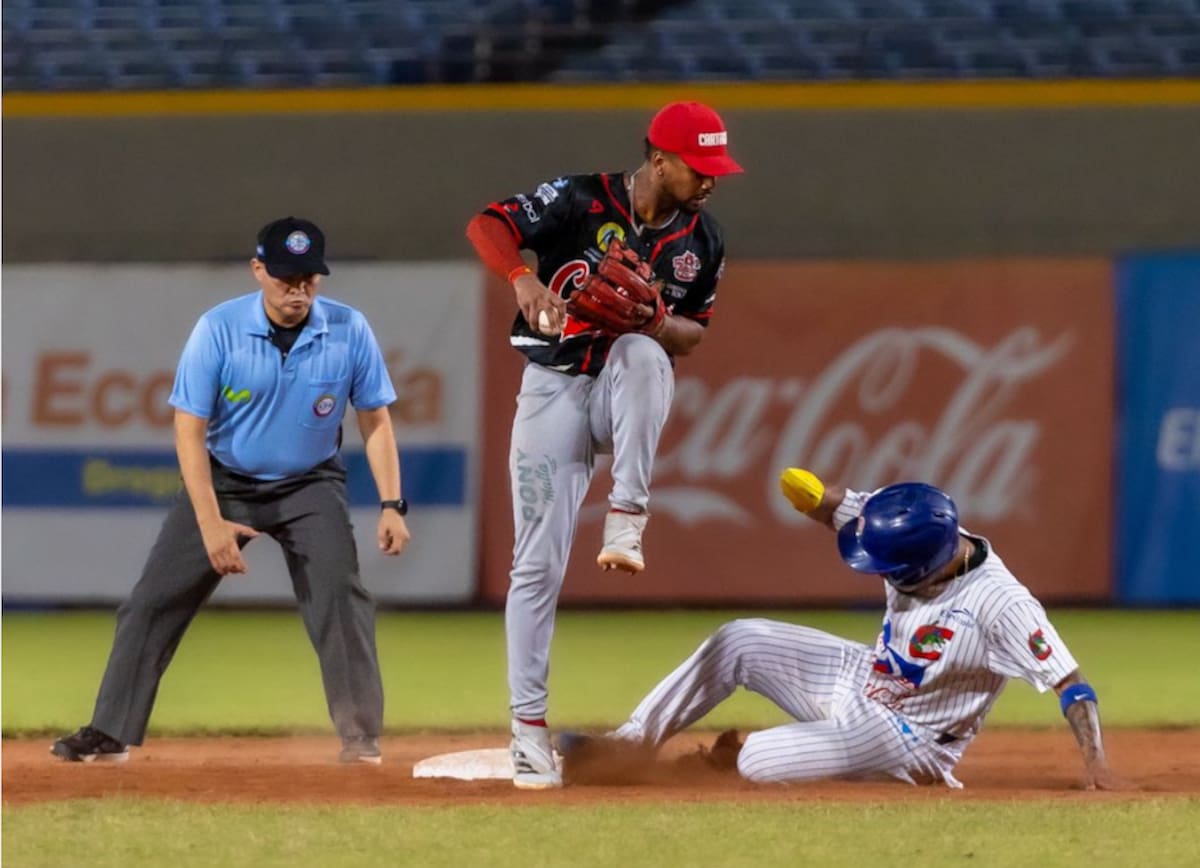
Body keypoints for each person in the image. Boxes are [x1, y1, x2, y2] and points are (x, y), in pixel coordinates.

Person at [50, 217, 411, 765]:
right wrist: (210, 522)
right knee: (151, 603)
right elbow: (188, 430)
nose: (298, 291)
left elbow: (376, 419)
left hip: (310, 483)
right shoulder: (217, 329)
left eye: (310, 279)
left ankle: (360, 736)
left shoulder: (348, 328)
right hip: (226, 480)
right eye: (286, 278)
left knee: (341, 597)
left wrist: (391, 504)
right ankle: (110, 731)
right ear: (258, 270)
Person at [465, 101, 743, 788]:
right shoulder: (581, 199)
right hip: (554, 388)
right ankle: (527, 732)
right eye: (698, 167)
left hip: (624, 390)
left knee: (648, 355)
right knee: (534, 567)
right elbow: (488, 223)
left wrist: (655, 318)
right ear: (658, 159)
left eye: (716, 168)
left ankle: (628, 515)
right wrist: (521, 277)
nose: (710, 181)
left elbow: (693, 336)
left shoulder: (702, 241)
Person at [564, 468, 1116, 790]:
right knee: (739, 639)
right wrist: (813, 495)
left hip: (911, 739)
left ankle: (723, 765)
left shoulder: (1002, 606)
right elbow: (839, 508)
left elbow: (1073, 685)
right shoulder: (912, 524)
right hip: (864, 678)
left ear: (927, 565)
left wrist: (1097, 764)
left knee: (751, 762)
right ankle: (630, 745)